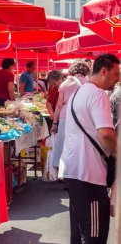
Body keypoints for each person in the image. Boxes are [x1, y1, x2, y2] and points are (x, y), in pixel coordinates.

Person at [60, 54, 119, 244]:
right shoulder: (98, 94)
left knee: (79, 231)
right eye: (116, 74)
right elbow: (107, 134)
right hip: (88, 173)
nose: (117, 79)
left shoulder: (79, 91)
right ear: (104, 71)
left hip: (74, 170)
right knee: (94, 234)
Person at [51, 60, 90, 170]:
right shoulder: (88, 83)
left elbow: (59, 106)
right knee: (79, 145)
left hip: (65, 116)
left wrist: (54, 123)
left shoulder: (65, 84)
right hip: (82, 117)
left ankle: (64, 171)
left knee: (64, 144)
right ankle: (78, 169)